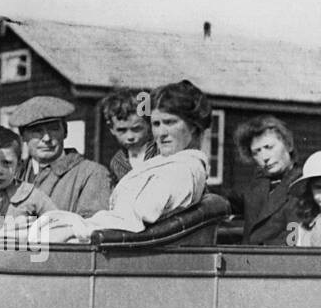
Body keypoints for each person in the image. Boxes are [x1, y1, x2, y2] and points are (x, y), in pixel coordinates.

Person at [30, 80, 210, 242]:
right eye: (156, 124)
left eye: (170, 122)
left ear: (193, 126)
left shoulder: (181, 170)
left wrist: (77, 227)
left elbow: (135, 219)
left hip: (124, 246)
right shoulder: (161, 164)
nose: (160, 134)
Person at [8, 95, 113, 217]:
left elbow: (91, 227)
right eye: (37, 131)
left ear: (65, 132)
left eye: (54, 129)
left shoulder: (92, 174)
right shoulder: (12, 174)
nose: (46, 138)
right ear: (23, 136)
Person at [216, 115, 303, 245]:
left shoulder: (303, 183)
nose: (264, 157)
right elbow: (237, 200)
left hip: (277, 260)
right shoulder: (259, 183)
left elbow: (294, 240)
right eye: (256, 152)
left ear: (288, 145)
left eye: (269, 147)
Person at [99, 88, 158, 183]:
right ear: (111, 128)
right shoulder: (117, 162)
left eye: (136, 129)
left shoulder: (161, 152)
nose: (130, 137)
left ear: (148, 124)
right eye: (122, 130)